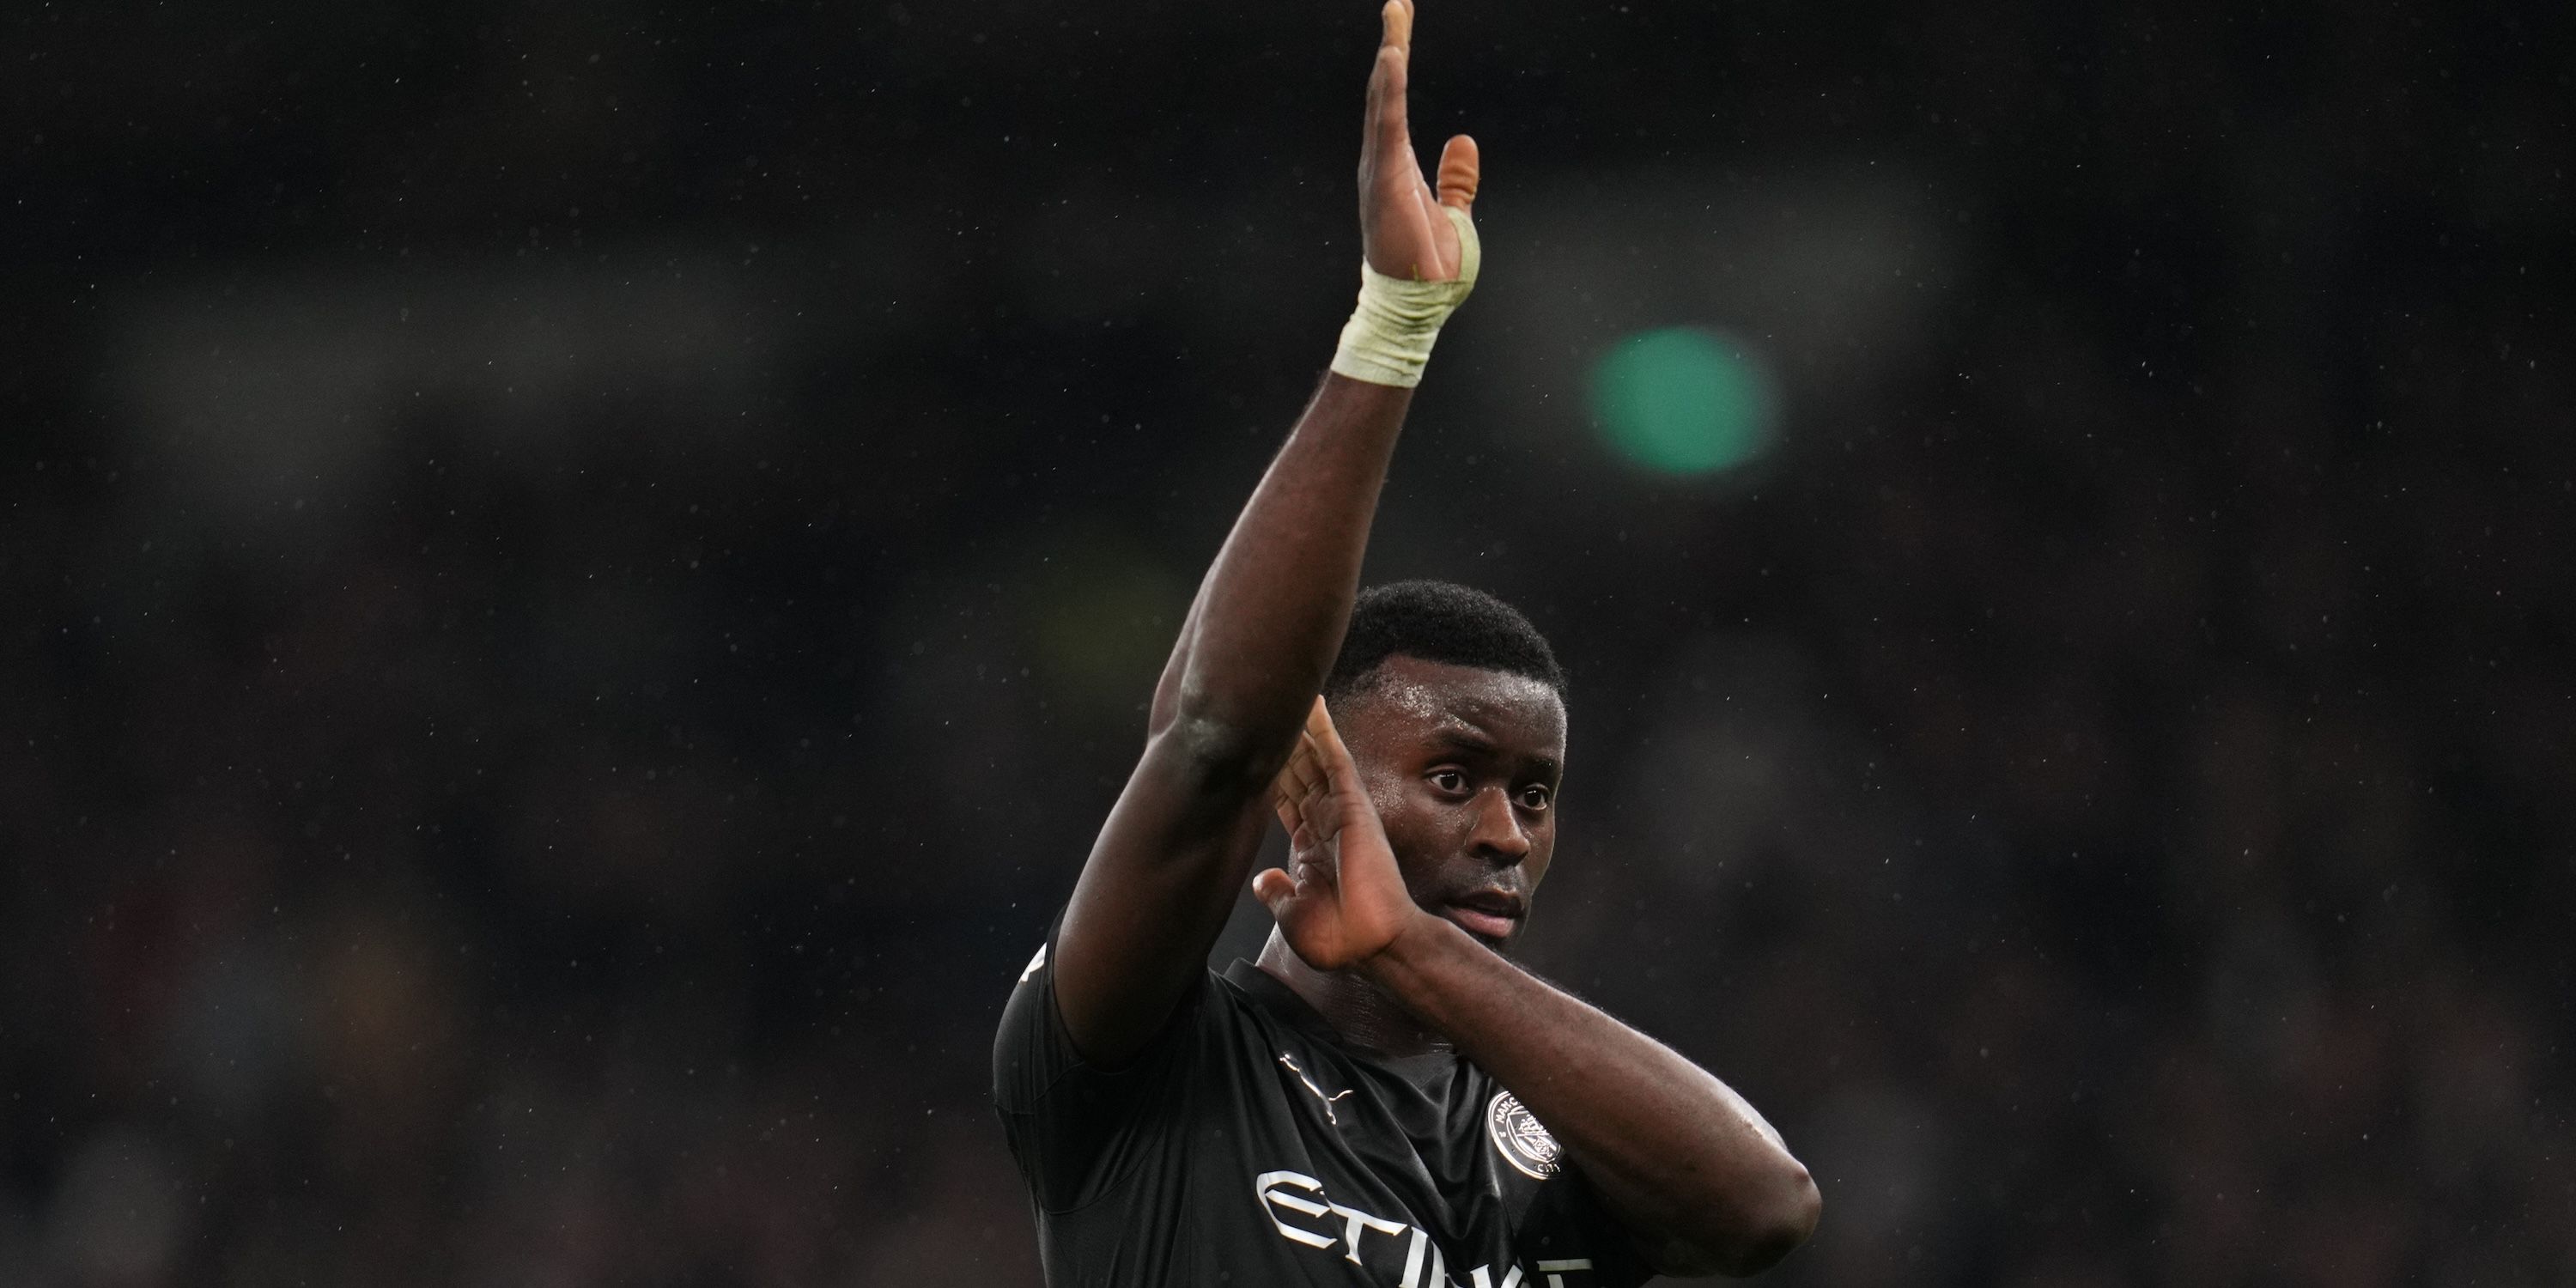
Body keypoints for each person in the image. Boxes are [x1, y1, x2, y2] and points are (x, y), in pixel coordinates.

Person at [992, 3, 1820, 1282]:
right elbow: (1213, 736)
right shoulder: (1145, 1056)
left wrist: (1406, 946)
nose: (1507, 836)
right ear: (1309, 783)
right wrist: (1393, 330)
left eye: (1535, 796)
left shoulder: (1555, 1130)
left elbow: (1765, 1210)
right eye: (1452, 778)